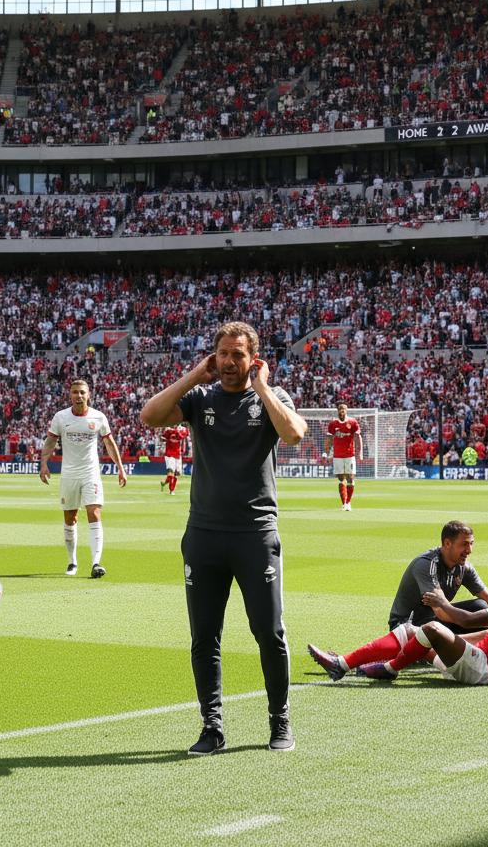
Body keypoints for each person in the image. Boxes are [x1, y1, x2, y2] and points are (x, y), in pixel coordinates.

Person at [140, 321, 307, 755]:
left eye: (238, 354)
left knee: (269, 632)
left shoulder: (271, 398)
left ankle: (280, 720)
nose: (229, 362)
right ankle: (212, 727)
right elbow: (150, 416)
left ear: (253, 359)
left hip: (255, 535)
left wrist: (263, 388)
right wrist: (195, 375)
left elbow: (294, 433)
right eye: (222, 354)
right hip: (205, 536)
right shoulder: (200, 397)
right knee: (205, 637)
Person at [308, 520, 488, 680]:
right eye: (464, 544)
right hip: (407, 623)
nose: (470, 550)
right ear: (447, 543)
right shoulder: (427, 565)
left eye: (472, 543)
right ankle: (389, 658)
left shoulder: (463, 566)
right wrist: (467, 626)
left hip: (435, 621)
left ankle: (391, 661)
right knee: (464, 620)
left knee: (481, 607)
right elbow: (441, 612)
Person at [347, 558, 488, 686]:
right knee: (412, 632)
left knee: (432, 629)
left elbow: (467, 620)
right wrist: (452, 641)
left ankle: (389, 669)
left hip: (483, 668)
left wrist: (443, 602)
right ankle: (344, 662)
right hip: (487, 666)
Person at [40, 378, 127, 578]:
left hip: (91, 473)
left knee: (94, 513)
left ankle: (96, 562)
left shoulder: (98, 417)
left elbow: (110, 443)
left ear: (89, 394)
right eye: (75, 392)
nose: (79, 396)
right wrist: (43, 463)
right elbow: (51, 441)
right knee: (70, 519)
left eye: (82, 392)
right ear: (70, 395)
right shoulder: (61, 417)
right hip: (69, 474)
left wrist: (120, 468)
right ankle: (72, 563)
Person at [323, 402, 363, 510]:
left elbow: (358, 436)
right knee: (341, 479)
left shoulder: (352, 422)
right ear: (337, 410)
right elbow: (329, 439)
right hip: (337, 456)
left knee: (350, 479)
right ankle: (343, 503)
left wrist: (360, 451)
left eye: (343, 409)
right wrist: (325, 452)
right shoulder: (333, 425)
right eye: (340, 409)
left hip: (350, 455)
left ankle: (348, 502)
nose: (342, 411)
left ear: (346, 410)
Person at [159, 423, 189, 496]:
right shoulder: (168, 430)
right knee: (171, 471)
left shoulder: (182, 430)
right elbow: (162, 439)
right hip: (169, 453)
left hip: (177, 454)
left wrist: (177, 433)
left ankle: (164, 482)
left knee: (177, 473)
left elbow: (183, 436)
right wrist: (166, 439)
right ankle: (171, 491)